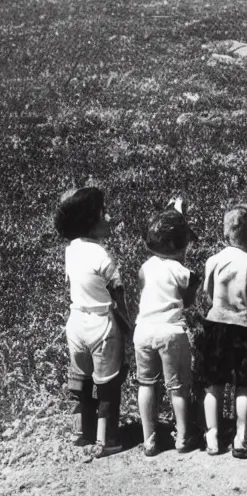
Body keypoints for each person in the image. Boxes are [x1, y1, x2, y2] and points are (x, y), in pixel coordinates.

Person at [55, 187, 130, 458]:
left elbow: (70, 286)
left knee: (81, 381)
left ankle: (82, 431)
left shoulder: (70, 250)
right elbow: (117, 290)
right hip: (102, 323)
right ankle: (107, 438)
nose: (108, 217)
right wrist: (128, 323)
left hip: (76, 322)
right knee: (108, 385)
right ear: (90, 221)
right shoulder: (101, 254)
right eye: (103, 213)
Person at [200, 204, 247, 459]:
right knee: (244, 385)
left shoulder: (214, 260)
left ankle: (212, 436)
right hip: (242, 327)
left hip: (216, 323)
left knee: (213, 384)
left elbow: (207, 293)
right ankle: (241, 437)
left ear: (226, 232)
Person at [134, 199, 200, 456]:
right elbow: (193, 279)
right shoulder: (177, 268)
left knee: (146, 384)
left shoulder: (145, 267)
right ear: (175, 246)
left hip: (143, 331)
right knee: (178, 387)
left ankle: (149, 439)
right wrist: (188, 297)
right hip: (170, 331)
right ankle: (183, 437)